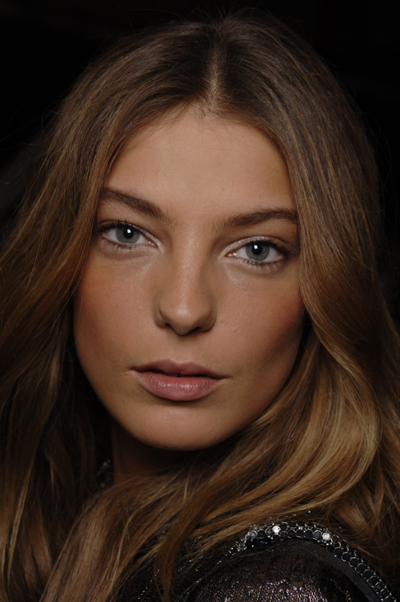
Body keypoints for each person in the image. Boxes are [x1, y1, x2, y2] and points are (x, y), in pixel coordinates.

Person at [1, 11, 399, 602]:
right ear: (58, 254)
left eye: (257, 249)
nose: (184, 310)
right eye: (128, 234)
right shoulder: (60, 508)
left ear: (325, 288)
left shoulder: (278, 588)